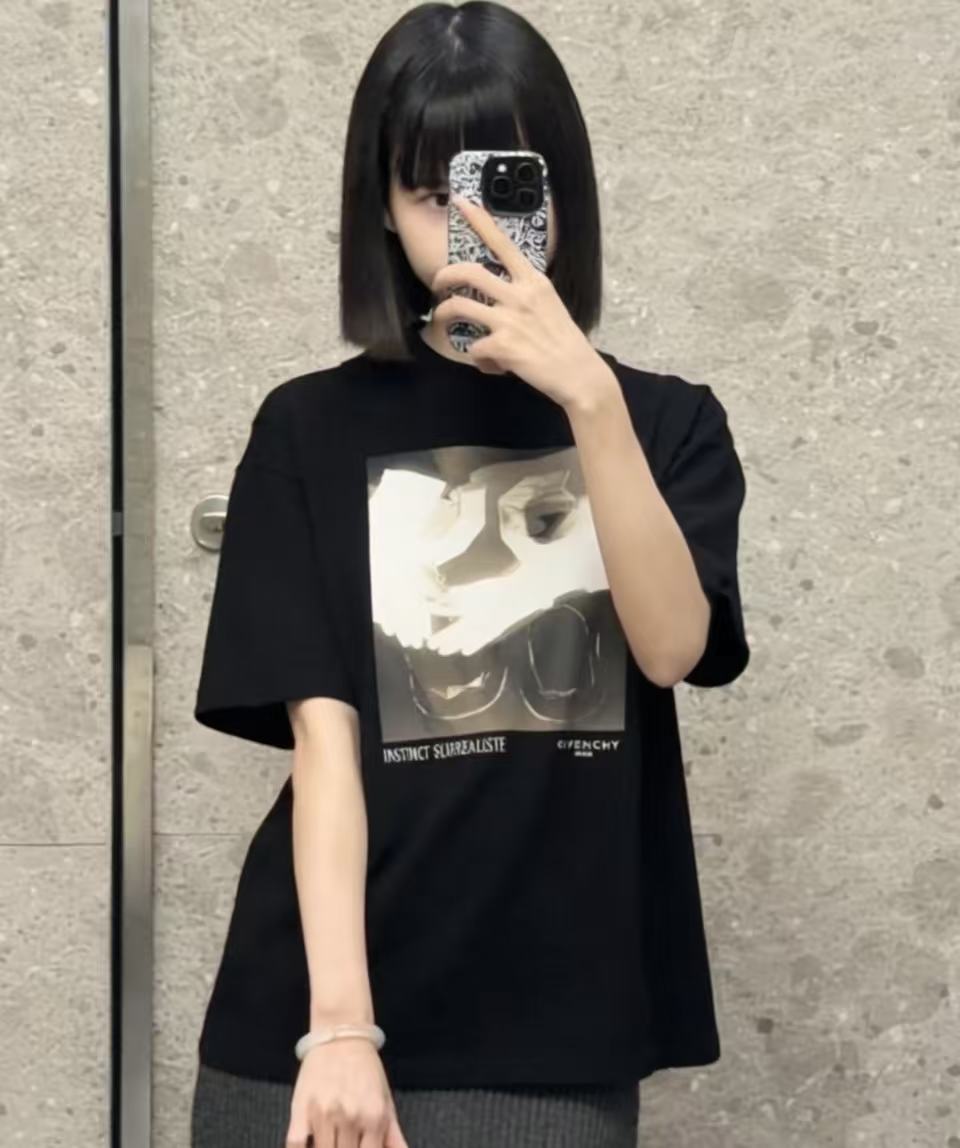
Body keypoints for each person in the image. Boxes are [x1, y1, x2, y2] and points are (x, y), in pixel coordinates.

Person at [189, 2, 751, 1145]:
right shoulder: (306, 429)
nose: (466, 229)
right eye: (426, 194)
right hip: (319, 1021)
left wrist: (588, 398)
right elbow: (325, 740)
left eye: (498, 189)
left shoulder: (665, 422)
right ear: (380, 207)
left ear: (559, 194)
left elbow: (670, 647)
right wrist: (339, 1028)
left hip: (554, 1027)